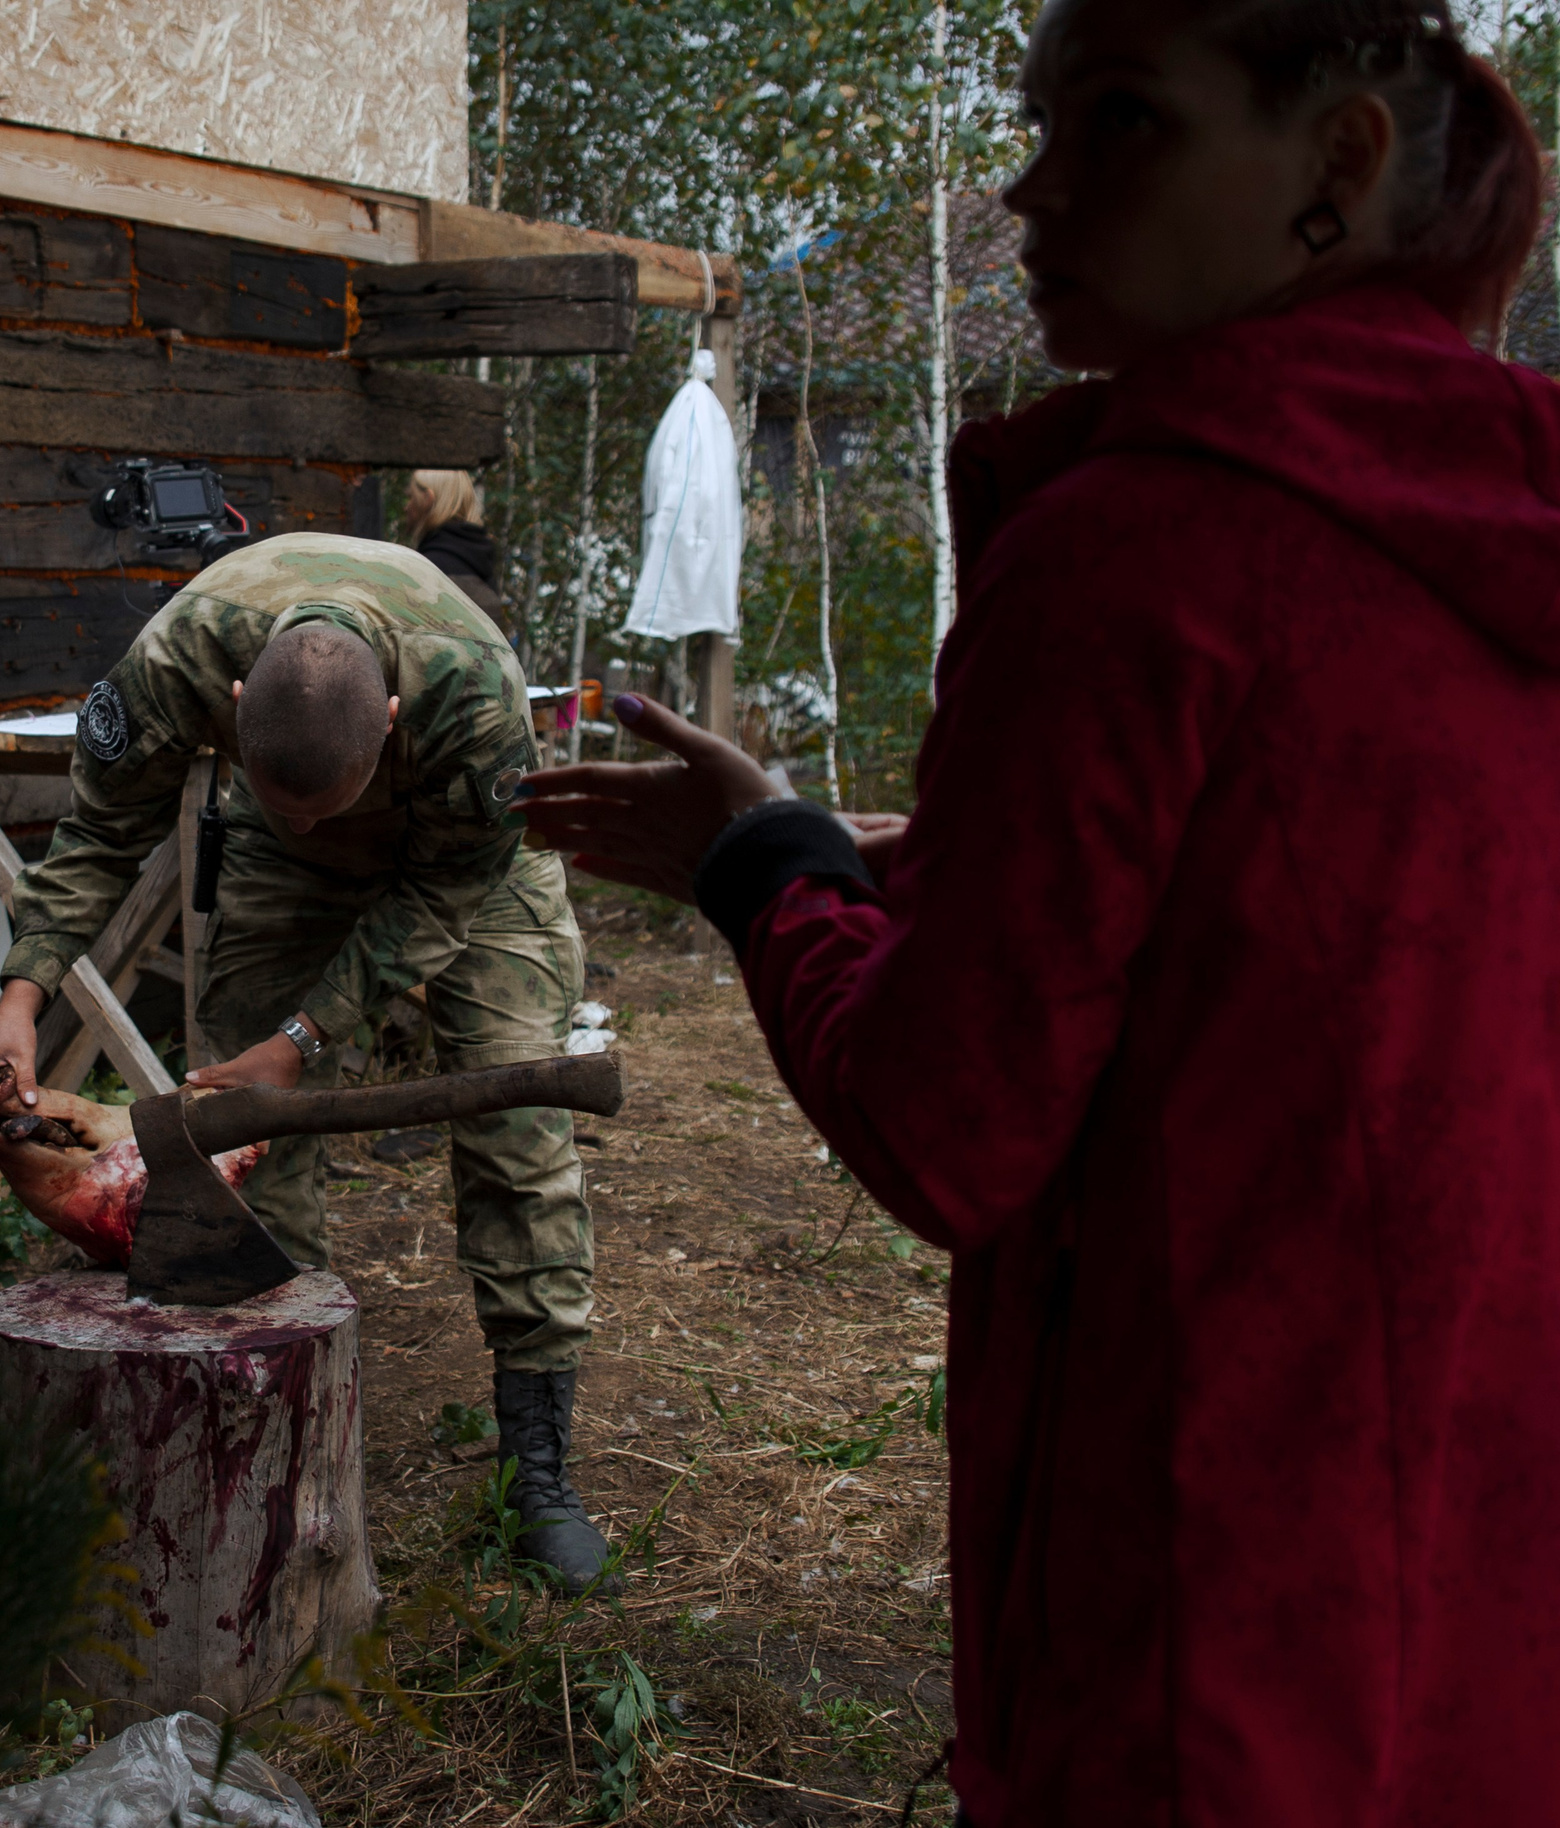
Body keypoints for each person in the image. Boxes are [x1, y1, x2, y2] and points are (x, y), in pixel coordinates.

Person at [521, 1, 1555, 1819]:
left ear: (1337, 163)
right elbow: (1319, 909)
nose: (1032, 187)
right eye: (1039, 120)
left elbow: (950, 1120)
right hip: (1487, 1546)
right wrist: (919, 850)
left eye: (1123, 120)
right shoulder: (1499, 521)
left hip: (1210, 1589)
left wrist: (754, 862)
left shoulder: (1138, 551)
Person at [0, 533, 616, 1589]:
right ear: (232, 704)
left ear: (391, 720)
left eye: (319, 802)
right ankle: (273, 1434)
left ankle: (537, 1469)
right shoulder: (179, 658)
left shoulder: (473, 695)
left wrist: (302, 1038)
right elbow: (101, 833)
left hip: (471, 874)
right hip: (278, 868)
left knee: (515, 1136)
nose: (309, 818)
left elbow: (441, 896)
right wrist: (20, 997)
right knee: (242, 1146)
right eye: (285, 795)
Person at [405, 470, 509, 629]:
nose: (406, 507)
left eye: (411, 497)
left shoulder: (427, 568)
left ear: (427, 499)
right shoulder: (480, 563)